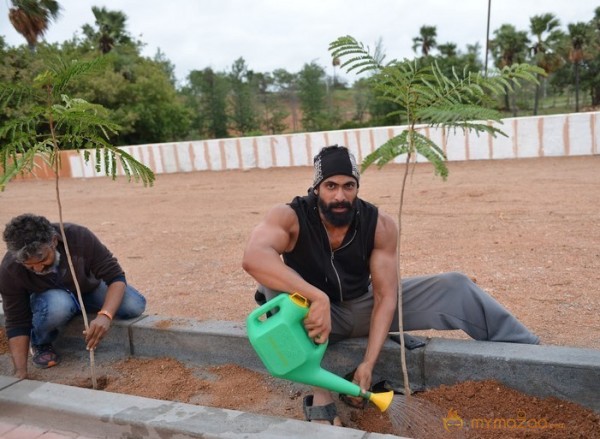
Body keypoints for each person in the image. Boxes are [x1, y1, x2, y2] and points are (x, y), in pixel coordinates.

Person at [242, 145, 539, 426]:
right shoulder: (291, 216)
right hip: (310, 317)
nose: (340, 196)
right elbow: (253, 257)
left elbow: (385, 297)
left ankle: (531, 352)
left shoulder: (378, 223)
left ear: (357, 187)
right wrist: (317, 297)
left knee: (455, 286)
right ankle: (320, 392)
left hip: (361, 308)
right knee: (271, 285)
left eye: (349, 186)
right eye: (331, 186)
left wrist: (369, 363)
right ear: (317, 187)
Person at [0, 213, 146, 379]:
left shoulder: (78, 237)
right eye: (30, 266)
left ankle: (74, 308)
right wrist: (20, 372)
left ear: (54, 241)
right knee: (59, 305)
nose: (39, 269)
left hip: (87, 291)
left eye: (43, 259)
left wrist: (105, 315)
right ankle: (41, 342)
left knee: (134, 305)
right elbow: (16, 321)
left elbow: (116, 277)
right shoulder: (10, 268)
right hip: (52, 301)